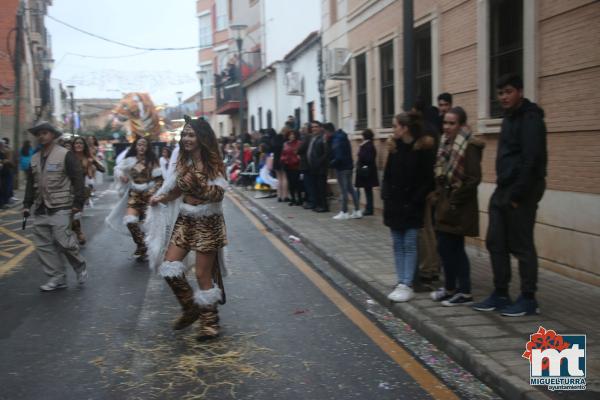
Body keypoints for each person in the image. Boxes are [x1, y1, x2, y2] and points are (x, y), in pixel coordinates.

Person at [146, 115, 228, 341]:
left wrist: (198, 184)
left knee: (202, 274)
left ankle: (210, 322)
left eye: (191, 135)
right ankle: (191, 307)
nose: (186, 139)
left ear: (202, 138)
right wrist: (161, 198)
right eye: (184, 135)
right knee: (169, 266)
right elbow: (178, 190)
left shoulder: (214, 164)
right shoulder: (183, 163)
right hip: (186, 220)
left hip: (207, 222)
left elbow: (218, 194)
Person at [473, 74, 547, 317]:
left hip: (521, 191)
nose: (503, 97)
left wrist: (517, 194)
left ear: (520, 91)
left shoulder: (531, 118)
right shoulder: (509, 118)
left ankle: (528, 298)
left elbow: (532, 159)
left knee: (522, 245)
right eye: (500, 93)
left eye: (508, 92)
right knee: (496, 242)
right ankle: (501, 293)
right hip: (503, 189)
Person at [22, 122, 87, 291]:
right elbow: (31, 183)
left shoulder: (65, 154)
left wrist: (78, 202)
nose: (41, 136)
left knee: (64, 243)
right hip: (41, 207)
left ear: (52, 135)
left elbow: (78, 178)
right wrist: (26, 204)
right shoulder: (34, 158)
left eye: (44, 133)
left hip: (61, 205)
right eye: (39, 134)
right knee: (43, 246)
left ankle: (80, 267)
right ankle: (57, 278)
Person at [430, 107, 484, 306]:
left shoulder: (469, 145)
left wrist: (453, 201)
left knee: (455, 250)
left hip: (458, 206)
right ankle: (450, 288)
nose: (447, 127)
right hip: (445, 203)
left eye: (452, 123)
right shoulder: (445, 144)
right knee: (444, 249)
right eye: (445, 123)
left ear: (461, 125)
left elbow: (473, 179)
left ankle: (465, 292)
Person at [382, 112, 436, 302]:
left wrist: (415, 200)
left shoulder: (422, 149)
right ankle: (401, 281)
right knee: (397, 243)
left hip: (412, 205)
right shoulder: (394, 148)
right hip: (395, 204)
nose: (392, 129)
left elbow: (427, 179)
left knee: (410, 243)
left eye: (395, 126)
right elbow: (387, 176)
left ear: (405, 128)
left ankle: (407, 283)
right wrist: (386, 196)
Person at [106, 137, 163, 261]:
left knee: (147, 225)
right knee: (130, 221)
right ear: (135, 147)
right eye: (139, 145)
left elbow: (159, 180)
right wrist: (121, 176)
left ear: (147, 147)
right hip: (134, 194)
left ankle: (146, 248)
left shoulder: (153, 161)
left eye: (144, 145)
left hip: (149, 196)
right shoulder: (129, 160)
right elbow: (117, 169)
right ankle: (142, 245)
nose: (141, 147)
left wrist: (152, 192)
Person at [71, 137, 106, 245]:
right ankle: (76, 233)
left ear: (84, 146)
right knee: (68, 213)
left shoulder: (88, 157)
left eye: (81, 143)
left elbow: (102, 169)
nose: (78, 145)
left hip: (82, 189)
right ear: (73, 145)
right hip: (67, 188)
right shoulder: (69, 157)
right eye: (76, 143)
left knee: (74, 212)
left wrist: (93, 162)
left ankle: (78, 232)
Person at [328, 123, 362, 220]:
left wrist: (331, 164)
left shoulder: (337, 139)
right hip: (348, 166)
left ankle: (344, 212)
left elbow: (338, 156)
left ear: (328, 131)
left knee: (343, 190)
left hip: (342, 168)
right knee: (350, 189)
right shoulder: (342, 136)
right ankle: (357, 211)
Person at [306, 121, 331, 213]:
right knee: (316, 187)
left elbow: (326, 153)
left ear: (320, 128)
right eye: (312, 127)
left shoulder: (323, 138)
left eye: (316, 127)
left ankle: (324, 206)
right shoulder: (313, 138)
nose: (314, 129)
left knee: (321, 188)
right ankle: (319, 205)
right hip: (313, 167)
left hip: (320, 168)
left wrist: (318, 162)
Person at [354, 129, 379, 216]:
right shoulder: (368, 145)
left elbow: (368, 158)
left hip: (367, 172)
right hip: (367, 171)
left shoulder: (368, 146)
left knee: (368, 190)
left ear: (364, 136)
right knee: (367, 190)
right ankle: (368, 208)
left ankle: (369, 209)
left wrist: (361, 153)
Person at [280, 129, 302, 206]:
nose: (292, 136)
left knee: (297, 183)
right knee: (290, 183)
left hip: (297, 166)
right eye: (290, 135)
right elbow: (283, 154)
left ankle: (299, 199)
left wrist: (298, 158)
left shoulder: (299, 143)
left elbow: (301, 153)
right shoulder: (285, 144)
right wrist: (284, 159)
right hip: (288, 165)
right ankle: (293, 199)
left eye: (293, 134)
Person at [271, 127, 289, 202]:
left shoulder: (275, 139)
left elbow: (272, 149)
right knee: (284, 177)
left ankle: (279, 196)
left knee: (278, 178)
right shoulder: (286, 140)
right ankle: (285, 196)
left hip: (276, 159)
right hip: (283, 160)